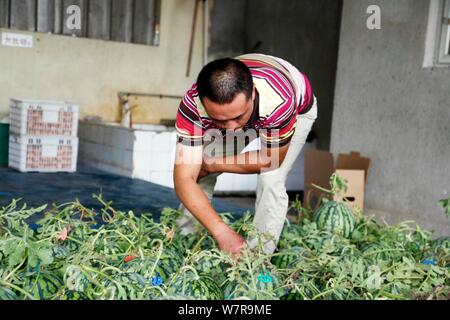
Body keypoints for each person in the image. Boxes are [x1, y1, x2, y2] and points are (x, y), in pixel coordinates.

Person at [173, 53, 317, 255]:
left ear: (253, 94)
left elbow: (270, 160)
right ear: (205, 105)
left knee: (270, 180)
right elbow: (183, 179)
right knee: (196, 174)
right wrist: (222, 232)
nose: (231, 130)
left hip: (298, 107)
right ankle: (184, 243)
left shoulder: (278, 101)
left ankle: (256, 260)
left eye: (238, 117)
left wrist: (212, 163)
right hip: (252, 111)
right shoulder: (192, 106)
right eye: (220, 121)